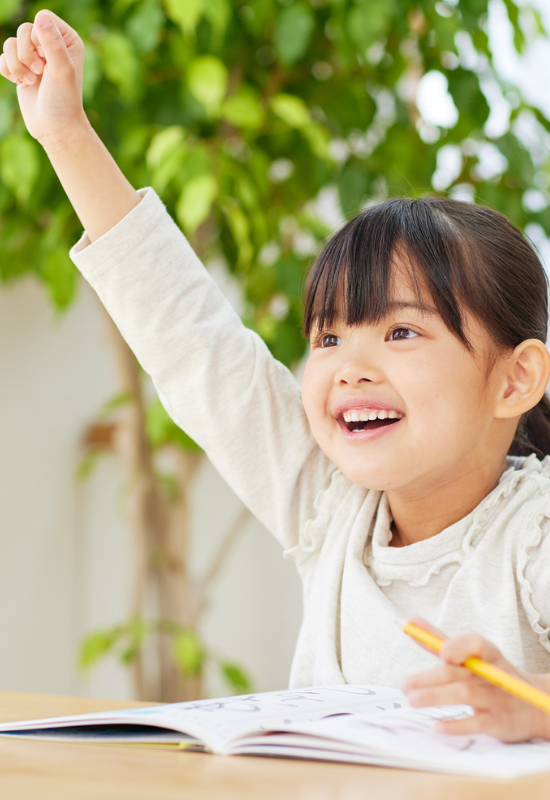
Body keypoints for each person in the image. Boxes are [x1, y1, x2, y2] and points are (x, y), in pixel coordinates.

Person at [2, 10, 550, 744]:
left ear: (514, 382)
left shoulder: (534, 534)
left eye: (401, 331)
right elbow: (189, 339)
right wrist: (66, 134)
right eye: (328, 335)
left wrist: (536, 707)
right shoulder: (330, 505)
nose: (351, 366)